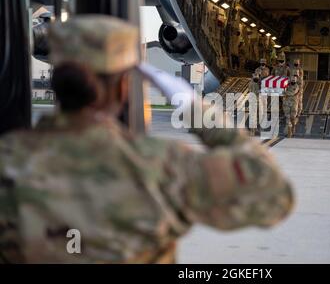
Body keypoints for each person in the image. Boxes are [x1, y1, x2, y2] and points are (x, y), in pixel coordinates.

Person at [0, 15, 294, 264]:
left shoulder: (8, 160)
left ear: (57, 79)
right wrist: (196, 108)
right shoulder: (161, 166)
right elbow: (273, 195)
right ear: (124, 87)